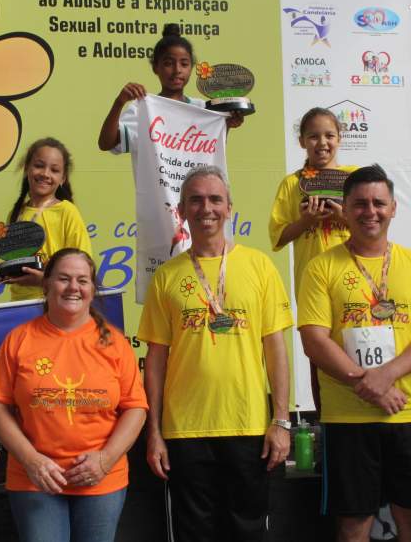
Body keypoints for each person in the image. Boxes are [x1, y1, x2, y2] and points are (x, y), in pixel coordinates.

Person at [138, 165, 292, 542]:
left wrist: (282, 421)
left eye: (215, 199)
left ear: (229, 208)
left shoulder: (259, 267)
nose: (206, 208)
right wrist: (154, 432)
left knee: (249, 530)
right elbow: (155, 362)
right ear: (183, 211)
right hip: (185, 430)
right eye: (196, 200)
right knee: (194, 534)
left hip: (248, 426)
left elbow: (275, 350)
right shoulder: (167, 277)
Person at [297, 165, 411, 542]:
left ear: (394, 208)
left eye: (379, 203)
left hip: (407, 413)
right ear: (344, 209)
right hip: (347, 419)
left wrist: (385, 375)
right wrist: (369, 383)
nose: (370, 211)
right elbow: (314, 339)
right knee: (352, 527)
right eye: (360, 203)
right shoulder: (320, 267)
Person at [0, 249, 147, 542]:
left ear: (93, 289)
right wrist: (32, 461)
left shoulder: (115, 343)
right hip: (35, 479)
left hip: (101, 480)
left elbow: (135, 408)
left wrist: (105, 460)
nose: (74, 287)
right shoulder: (19, 339)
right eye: (63, 278)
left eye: (83, 280)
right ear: (46, 285)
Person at [269, 107, 358, 411]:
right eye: (313, 136)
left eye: (329, 135)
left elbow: (374, 227)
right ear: (301, 141)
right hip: (311, 283)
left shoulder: (354, 179)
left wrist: (343, 217)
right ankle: (326, 427)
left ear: (340, 138)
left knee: (356, 344)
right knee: (318, 353)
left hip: (354, 279)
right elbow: (278, 236)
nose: (322, 142)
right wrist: (306, 221)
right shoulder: (292, 184)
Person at [97, 23, 242, 155]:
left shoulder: (202, 108)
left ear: (191, 68)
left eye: (184, 64)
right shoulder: (143, 109)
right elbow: (106, 143)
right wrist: (119, 103)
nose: (177, 70)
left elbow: (210, 155)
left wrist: (226, 126)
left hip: (197, 185)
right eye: (168, 63)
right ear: (155, 67)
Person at [0, 137, 92, 301]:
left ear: (63, 178)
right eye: (39, 166)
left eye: (54, 170)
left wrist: (44, 281)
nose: (45, 174)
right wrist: (7, 270)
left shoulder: (67, 211)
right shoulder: (16, 214)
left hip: (56, 305)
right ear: (27, 167)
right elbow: (16, 259)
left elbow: (83, 268)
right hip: (18, 305)